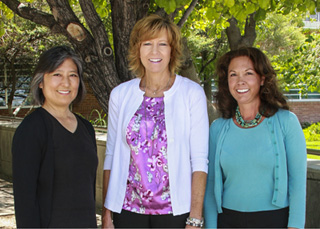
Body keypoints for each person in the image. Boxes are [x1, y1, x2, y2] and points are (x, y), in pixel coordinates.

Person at [102, 14, 209, 228]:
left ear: (172, 50)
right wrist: (107, 215)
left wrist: (195, 219)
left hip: (175, 212)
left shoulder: (191, 93)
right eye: (147, 44)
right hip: (127, 210)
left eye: (162, 44)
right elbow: (111, 155)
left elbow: (199, 160)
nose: (154, 52)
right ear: (137, 49)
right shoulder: (120, 95)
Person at [204, 47, 307, 228]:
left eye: (248, 73)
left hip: (274, 221)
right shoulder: (218, 129)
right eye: (233, 75)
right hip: (227, 221)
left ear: (262, 79)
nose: (240, 81)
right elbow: (211, 185)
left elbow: (297, 183)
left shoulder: (286, 122)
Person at [12, 46, 98, 228]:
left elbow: (89, 190)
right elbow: (25, 200)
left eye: (72, 75)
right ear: (41, 81)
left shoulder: (86, 129)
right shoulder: (31, 130)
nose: (66, 83)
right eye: (57, 74)